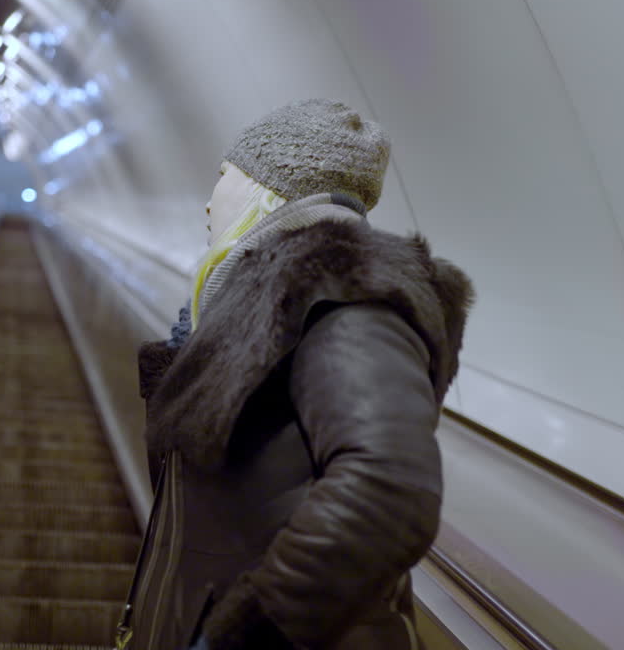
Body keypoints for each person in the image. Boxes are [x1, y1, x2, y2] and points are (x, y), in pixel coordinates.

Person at [121, 99, 474, 649]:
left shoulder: (348, 298)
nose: (208, 205)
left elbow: (389, 487)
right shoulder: (264, 308)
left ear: (266, 190)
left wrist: (246, 635)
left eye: (222, 177)